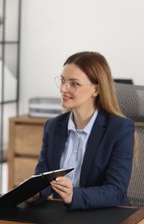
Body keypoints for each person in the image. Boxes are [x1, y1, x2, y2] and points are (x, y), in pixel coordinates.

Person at [27, 51, 136, 210]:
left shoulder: (119, 129)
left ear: (96, 90)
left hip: (105, 217)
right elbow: (44, 179)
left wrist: (73, 195)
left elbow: (116, 191)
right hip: (64, 218)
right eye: (63, 81)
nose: (64, 88)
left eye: (74, 83)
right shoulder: (53, 126)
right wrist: (34, 192)